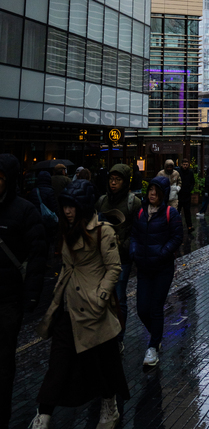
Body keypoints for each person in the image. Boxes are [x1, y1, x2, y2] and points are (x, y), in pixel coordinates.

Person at [32, 179, 128, 429]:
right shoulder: (67, 229)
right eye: (64, 206)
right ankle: (43, 416)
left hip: (93, 310)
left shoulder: (102, 230)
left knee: (100, 366)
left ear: (83, 206)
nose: (67, 211)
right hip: (67, 307)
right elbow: (67, 264)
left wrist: (100, 297)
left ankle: (110, 406)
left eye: (72, 206)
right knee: (58, 364)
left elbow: (114, 267)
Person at [0, 154, 46, 429]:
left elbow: (38, 255)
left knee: (4, 362)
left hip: (8, 300)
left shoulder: (25, 211)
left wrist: (31, 295)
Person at [130, 175, 182, 370]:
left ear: (163, 194)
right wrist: (134, 251)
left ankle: (153, 347)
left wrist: (162, 253)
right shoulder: (141, 212)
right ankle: (156, 336)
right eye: (150, 190)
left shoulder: (171, 213)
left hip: (162, 268)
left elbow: (177, 237)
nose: (152, 194)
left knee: (155, 307)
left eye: (156, 191)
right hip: (143, 268)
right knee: (142, 308)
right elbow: (134, 234)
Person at [95, 164, 141, 348]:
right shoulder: (102, 201)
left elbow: (138, 229)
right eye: (111, 179)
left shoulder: (133, 202)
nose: (113, 183)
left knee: (120, 297)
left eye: (118, 180)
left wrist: (126, 245)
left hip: (122, 258)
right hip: (102, 258)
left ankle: (119, 338)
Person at [178, 158, 196, 232]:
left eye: (186, 164)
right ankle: (179, 226)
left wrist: (190, 189)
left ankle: (189, 226)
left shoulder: (190, 172)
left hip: (186, 194)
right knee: (178, 211)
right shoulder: (179, 172)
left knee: (187, 212)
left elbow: (193, 182)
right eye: (184, 164)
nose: (185, 166)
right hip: (180, 194)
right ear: (182, 164)